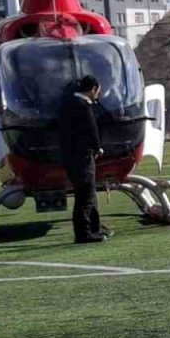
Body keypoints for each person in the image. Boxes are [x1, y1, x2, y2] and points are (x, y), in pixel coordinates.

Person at [58, 75, 109, 243]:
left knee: (88, 194)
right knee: (85, 196)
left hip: (71, 156)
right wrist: (97, 147)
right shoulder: (83, 106)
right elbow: (91, 129)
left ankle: (95, 229)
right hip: (82, 156)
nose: (97, 95)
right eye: (97, 91)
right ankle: (84, 233)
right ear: (93, 89)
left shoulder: (68, 104)